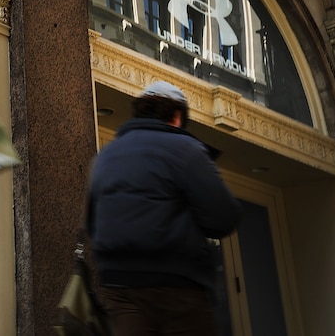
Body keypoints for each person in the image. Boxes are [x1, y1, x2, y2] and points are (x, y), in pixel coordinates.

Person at [87, 80, 242, 335]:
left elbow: (92, 222)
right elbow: (223, 217)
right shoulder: (186, 149)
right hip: (176, 284)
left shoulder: (105, 156)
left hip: (118, 285)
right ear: (177, 116)